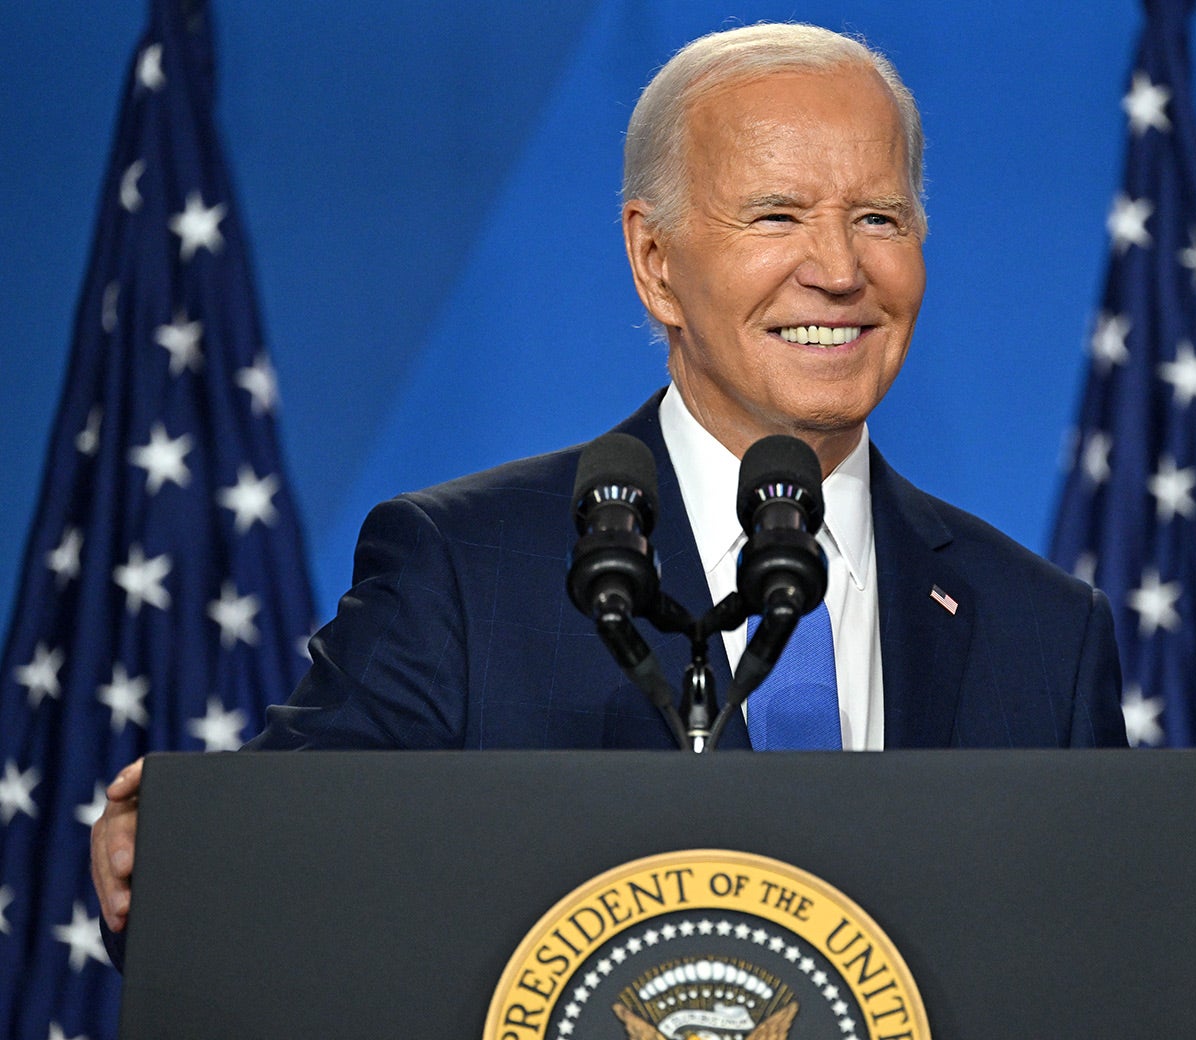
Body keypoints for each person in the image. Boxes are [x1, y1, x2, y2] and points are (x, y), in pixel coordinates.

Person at [92, 21, 1127, 952]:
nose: (839, 268)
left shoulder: (1045, 631)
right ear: (655, 262)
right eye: (776, 215)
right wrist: (179, 849)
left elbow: (1104, 975)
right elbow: (264, 895)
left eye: (880, 217)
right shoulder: (464, 571)